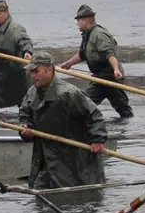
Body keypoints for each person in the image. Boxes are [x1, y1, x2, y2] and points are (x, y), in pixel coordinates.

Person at [17, 51, 107, 189]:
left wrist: (97, 139)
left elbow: (94, 115)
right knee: (40, 195)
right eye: (31, 72)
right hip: (46, 157)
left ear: (49, 70)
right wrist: (25, 129)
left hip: (74, 157)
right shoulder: (31, 93)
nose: (33, 76)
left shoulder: (68, 93)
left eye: (36, 71)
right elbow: (24, 116)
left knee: (78, 197)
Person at [60, 5, 133, 119]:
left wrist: (116, 69)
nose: (77, 24)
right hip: (99, 78)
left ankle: (128, 126)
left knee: (122, 107)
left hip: (110, 77)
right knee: (87, 103)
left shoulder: (99, 34)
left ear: (86, 20)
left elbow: (110, 54)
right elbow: (82, 54)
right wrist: (68, 64)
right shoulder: (87, 35)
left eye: (78, 20)